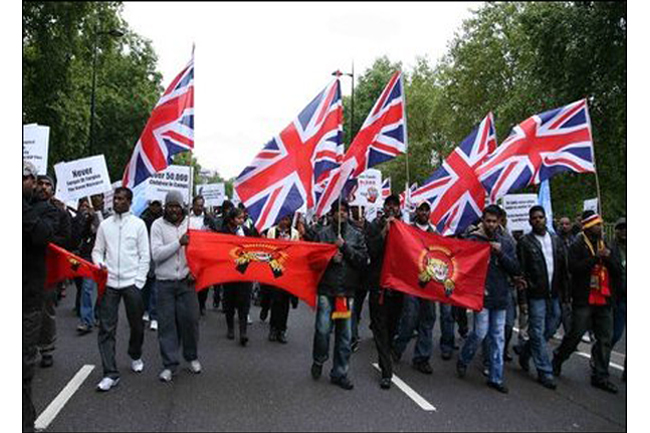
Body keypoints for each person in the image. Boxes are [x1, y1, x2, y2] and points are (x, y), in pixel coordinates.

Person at [552, 211, 622, 393]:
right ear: (588, 227)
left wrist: (607, 257)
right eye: (597, 225)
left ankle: (600, 375)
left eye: (601, 224)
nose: (600, 228)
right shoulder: (577, 245)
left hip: (604, 298)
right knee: (575, 334)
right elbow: (573, 268)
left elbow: (617, 270)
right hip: (584, 299)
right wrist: (595, 258)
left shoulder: (606, 244)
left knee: (605, 338)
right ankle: (558, 358)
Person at [456, 205, 520, 394]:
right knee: (480, 333)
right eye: (488, 221)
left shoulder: (506, 242)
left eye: (494, 221)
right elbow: (463, 265)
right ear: (483, 220)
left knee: (498, 338)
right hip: (481, 294)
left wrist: (500, 253)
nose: (491, 224)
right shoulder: (474, 239)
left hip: (500, 296)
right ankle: (464, 358)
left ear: (499, 221)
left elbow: (516, 268)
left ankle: (496, 377)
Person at [92, 187, 150, 392]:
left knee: (136, 325)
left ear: (129, 201)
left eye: (121, 199)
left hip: (131, 283)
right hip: (109, 284)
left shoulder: (139, 225)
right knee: (106, 328)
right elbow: (97, 252)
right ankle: (110, 373)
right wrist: (99, 264)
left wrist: (139, 282)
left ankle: (135, 353)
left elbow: (145, 255)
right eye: (115, 198)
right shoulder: (105, 225)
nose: (116, 202)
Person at [308, 200, 368, 390]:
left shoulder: (356, 236)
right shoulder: (322, 234)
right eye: (338, 211)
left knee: (344, 335)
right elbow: (312, 261)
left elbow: (362, 261)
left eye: (344, 211)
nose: (341, 214)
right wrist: (329, 258)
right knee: (323, 330)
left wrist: (345, 248)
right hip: (326, 291)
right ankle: (319, 360)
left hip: (345, 293)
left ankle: (339, 372)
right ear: (332, 214)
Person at [150, 191, 201, 382]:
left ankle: (191, 356)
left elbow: (200, 254)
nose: (173, 209)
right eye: (169, 205)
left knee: (190, 322)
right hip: (164, 283)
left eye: (176, 205)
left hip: (186, 283)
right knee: (167, 325)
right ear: (165, 207)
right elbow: (156, 255)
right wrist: (178, 243)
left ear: (182, 207)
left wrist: (195, 271)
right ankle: (169, 365)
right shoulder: (157, 225)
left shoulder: (192, 225)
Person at [516, 206, 568, 390]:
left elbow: (563, 269)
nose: (538, 220)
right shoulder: (525, 242)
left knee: (552, 326)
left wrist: (565, 295)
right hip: (536, 293)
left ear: (546, 219)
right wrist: (522, 300)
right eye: (534, 218)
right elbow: (521, 273)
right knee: (537, 331)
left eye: (541, 217)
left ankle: (526, 351)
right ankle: (544, 370)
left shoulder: (556, 240)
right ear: (530, 221)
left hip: (554, 293)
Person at [23, 162, 58, 432]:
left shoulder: (46, 210)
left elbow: (41, 237)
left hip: (27, 300)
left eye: (22, 178)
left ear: (32, 181)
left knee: (21, 371)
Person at [392, 201, 439, 374]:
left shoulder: (435, 234)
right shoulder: (408, 230)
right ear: (416, 211)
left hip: (429, 286)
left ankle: (422, 358)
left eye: (427, 210)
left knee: (428, 319)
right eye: (421, 209)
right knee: (410, 319)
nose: (424, 212)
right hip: (411, 283)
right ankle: (397, 348)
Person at [365, 195, 404, 389]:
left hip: (397, 287)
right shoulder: (374, 226)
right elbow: (372, 251)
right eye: (388, 206)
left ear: (399, 208)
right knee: (380, 328)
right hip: (378, 285)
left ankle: (386, 355)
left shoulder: (407, 228)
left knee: (391, 328)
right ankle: (386, 372)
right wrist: (384, 231)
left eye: (395, 206)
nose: (392, 209)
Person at [33, 174, 72, 369]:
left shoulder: (60, 213)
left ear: (53, 190)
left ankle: (46, 348)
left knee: (45, 309)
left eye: (48, 185)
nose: (43, 187)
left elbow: (68, 240)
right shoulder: (26, 207)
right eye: (40, 183)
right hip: (27, 267)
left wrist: (44, 238)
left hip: (48, 269)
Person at [220, 207, 256, 345]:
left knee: (244, 302)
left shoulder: (246, 231)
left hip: (245, 272)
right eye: (239, 218)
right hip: (229, 272)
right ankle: (230, 328)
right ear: (231, 219)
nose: (242, 220)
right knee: (229, 301)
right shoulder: (224, 232)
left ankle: (243, 332)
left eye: (243, 218)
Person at [263, 214, 300, 344]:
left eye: (287, 219)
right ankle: (273, 328)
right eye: (283, 219)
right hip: (274, 269)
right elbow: (267, 249)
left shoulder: (294, 233)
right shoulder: (272, 231)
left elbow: (297, 251)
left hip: (288, 272)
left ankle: (282, 330)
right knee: (275, 301)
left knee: (285, 302)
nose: (285, 222)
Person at [141, 200, 163, 331]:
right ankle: (146, 310)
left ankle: (155, 316)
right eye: (153, 205)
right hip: (145, 256)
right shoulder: (143, 219)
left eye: (157, 205)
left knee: (155, 288)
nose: (155, 207)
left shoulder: (164, 220)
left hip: (159, 257)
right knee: (146, 287)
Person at [610, 217, 626, 381]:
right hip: (618, 297)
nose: (624, 231)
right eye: (621, 228)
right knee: (615, 334)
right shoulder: (611, 248)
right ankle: (599, 357)